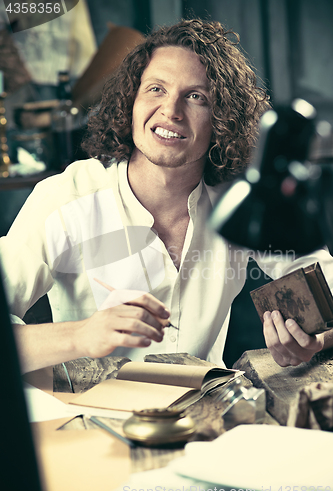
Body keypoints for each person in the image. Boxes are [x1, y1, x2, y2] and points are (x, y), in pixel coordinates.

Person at [1, 19, 333, 374]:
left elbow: (325, 284)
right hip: (92, 417)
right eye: (156, 89)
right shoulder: (65, 197)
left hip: (206, 414)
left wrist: (314, 341)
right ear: (131, 101)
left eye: (196, 97)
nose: (171, 111)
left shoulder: (239, 201)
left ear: (222, 119)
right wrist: (81, 336)